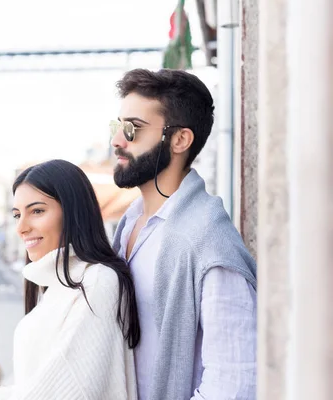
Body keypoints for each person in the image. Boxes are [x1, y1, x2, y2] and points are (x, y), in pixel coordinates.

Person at [109, 68, 257, 400]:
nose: (117, 140)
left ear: (179, 139)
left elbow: (234, 384)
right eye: (116, 127)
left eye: (133, 128)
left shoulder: (209, 243)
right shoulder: (129, 225)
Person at [0, 159, 140, 400]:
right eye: (17, 215)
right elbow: (30, 385)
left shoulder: (97, 282)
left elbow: (61, 390)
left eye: (37, 211)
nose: (21, 227)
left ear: (73, 213)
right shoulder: (57, 286)